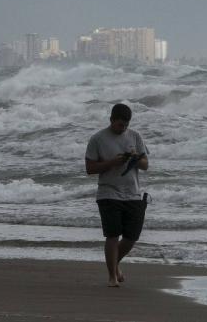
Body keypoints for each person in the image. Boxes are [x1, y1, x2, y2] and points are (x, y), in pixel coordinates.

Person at [85, 103, 149, 287]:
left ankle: (115, 263)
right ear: (111, 120)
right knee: (112, 235)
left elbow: (145, 165)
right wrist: (112, 162)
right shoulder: (98, 139)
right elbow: (89, 168)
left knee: (131, 237)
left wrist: (136, 158)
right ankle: (112, 276)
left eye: (126, 125)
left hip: (133, 194)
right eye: (120, 124)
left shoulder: (135, 136)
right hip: (108, 192)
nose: (123, 128)